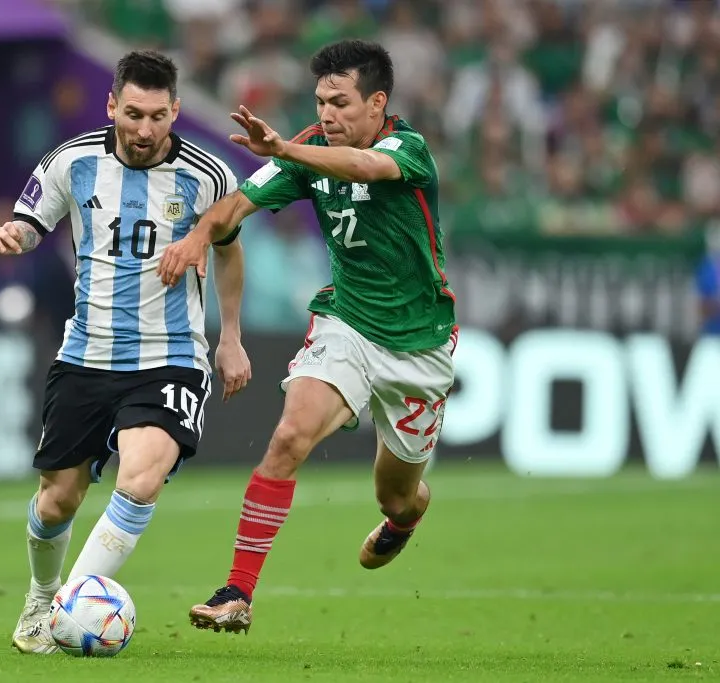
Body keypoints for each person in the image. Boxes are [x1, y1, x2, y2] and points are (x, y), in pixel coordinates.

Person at [156, 38, 458, 634]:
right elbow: (233, 206)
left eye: (341, 102)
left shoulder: (409, 148)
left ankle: (406, 515)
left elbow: (365, 168)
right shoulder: (305, 152)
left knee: (394, 497)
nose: (327, 114)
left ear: (377, 104)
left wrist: (290, 150)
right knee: (290, 435)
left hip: (420, 347)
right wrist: (196, 239)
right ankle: (237, 593)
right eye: (321, 101)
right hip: (346, 324)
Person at [0, 50, 252, 654]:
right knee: (58, 499)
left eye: (158, 116)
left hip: (170, 355)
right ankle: (42, 594)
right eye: (132, 113)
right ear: (112, 105)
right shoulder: (72, 161)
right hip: (86, 353)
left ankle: (66, 610)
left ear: (176, 111)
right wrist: (15, 235)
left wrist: (229, 336)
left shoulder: (209, 175)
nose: (144, 129)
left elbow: (231, 250)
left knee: (140, 476)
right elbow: (33, 221)